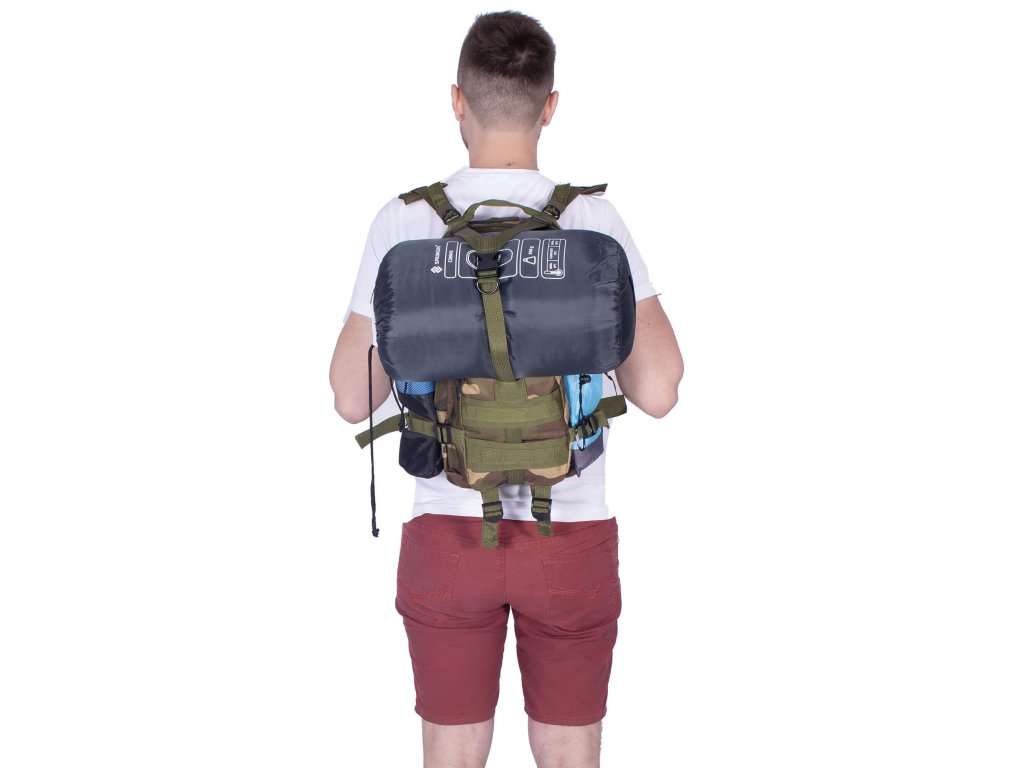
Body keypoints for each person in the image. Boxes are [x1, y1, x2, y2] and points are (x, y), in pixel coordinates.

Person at [329, 10, 684, 768]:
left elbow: (352, 398)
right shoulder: (593, 219)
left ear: (457, 101)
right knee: (568, 752)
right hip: (571, 536)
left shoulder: (403, 221)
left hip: (446, 535)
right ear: (549, 106)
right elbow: (658, 390)